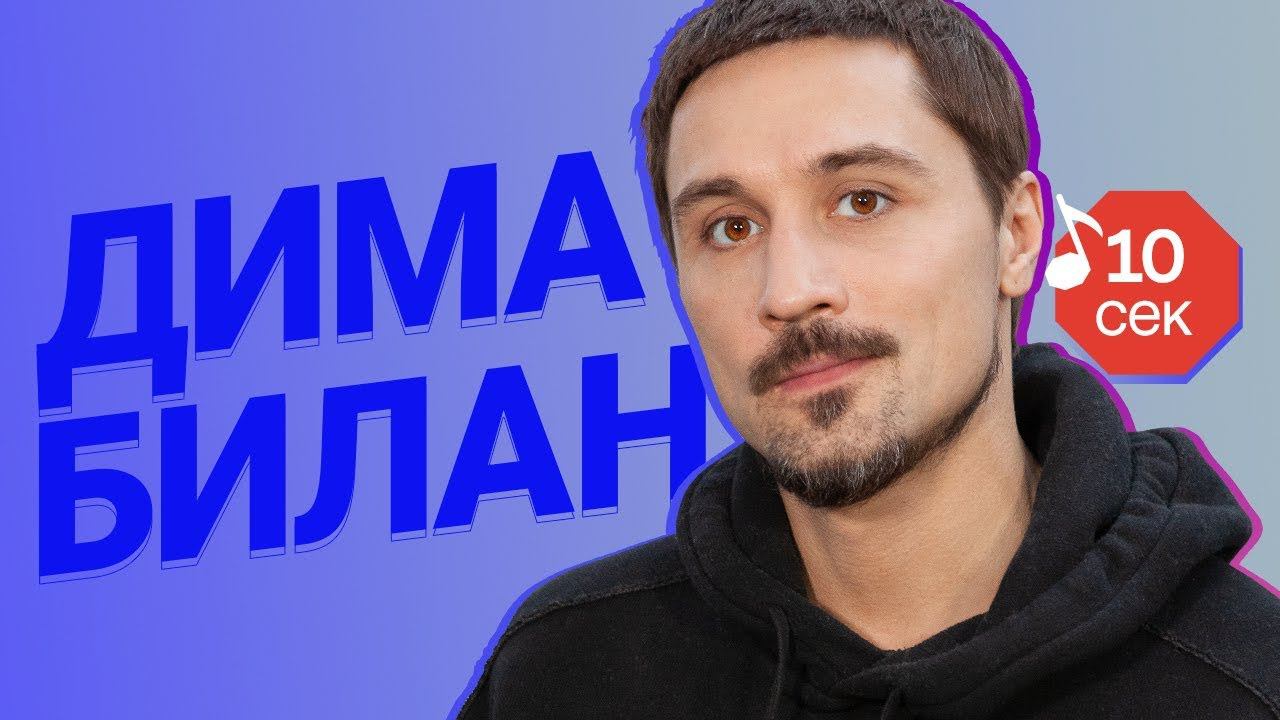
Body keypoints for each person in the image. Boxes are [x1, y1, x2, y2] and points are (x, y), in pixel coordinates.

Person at [456, 1, 1280, 717]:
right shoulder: (563, 673)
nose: (790, 290)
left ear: (1018, 236)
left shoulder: (1247, 685)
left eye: (863, 200)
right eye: (730, 228)